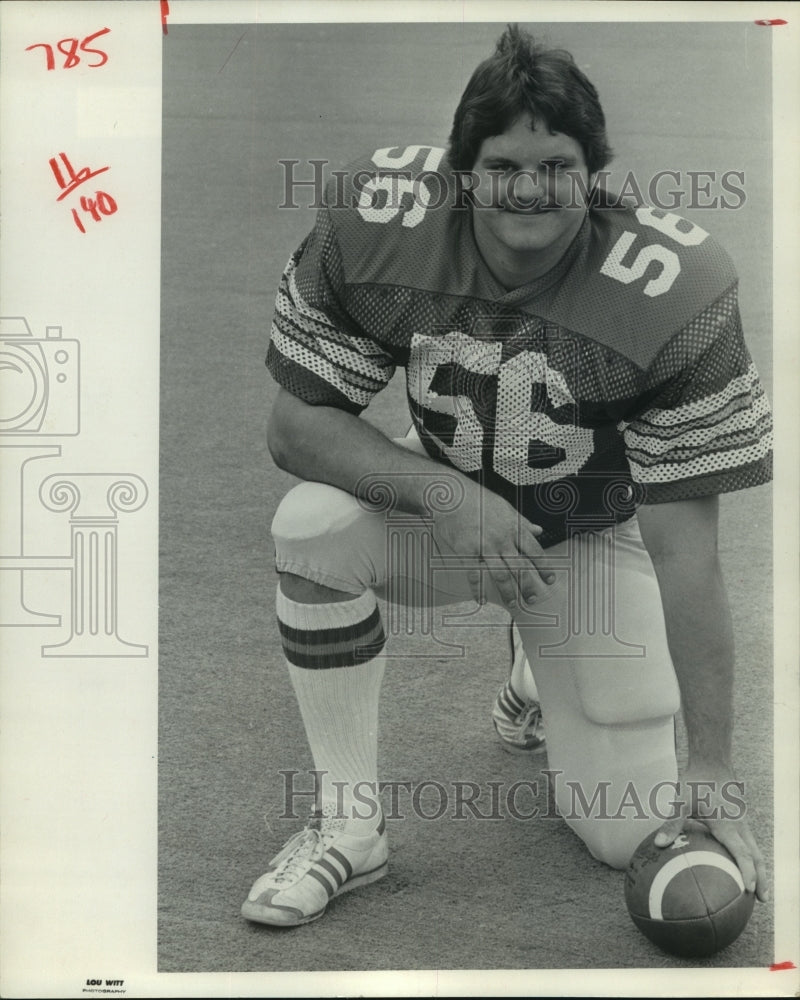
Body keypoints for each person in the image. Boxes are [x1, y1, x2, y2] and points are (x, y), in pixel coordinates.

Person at [241, 24, 772, 927]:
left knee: (627, 834)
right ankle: (349, 826)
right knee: (311, 526)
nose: (529, 188)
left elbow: (689, 553)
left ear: (595, 173)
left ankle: (535, 668)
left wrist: (714, 765)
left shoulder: (673, 289)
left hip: (590, 536)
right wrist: (445, 495)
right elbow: (295, 429)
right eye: (502, 166)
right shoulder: (378, 224)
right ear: (461, 172)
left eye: (557, 165)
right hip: (445, 515)